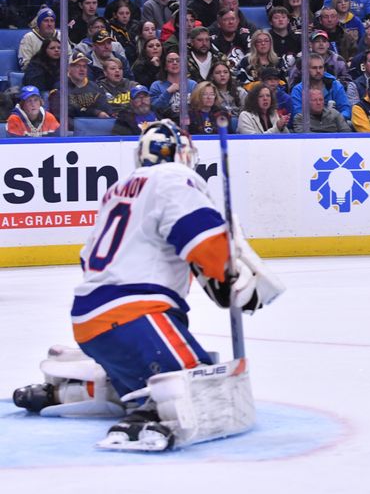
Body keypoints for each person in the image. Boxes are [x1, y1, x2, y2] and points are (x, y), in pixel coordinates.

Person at [12, 119, 284, 451]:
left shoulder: (120, 188)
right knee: (198, 390)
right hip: (135, 316)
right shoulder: (176, 178)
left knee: (151, 381)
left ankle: (68, 390)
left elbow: (89, 260)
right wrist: (228, 275)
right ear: (180, 153)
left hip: (91, 320)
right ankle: (146, 418)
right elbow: (204, 240)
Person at [50, 51, 112, 125]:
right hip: (71, 132)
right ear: (69, 68)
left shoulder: (95, 87)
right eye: (77, 66)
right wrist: (93, 112)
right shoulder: (60, 88)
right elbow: (60, 116)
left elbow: (106, 110)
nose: (82, 69)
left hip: (96, 129)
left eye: (84, 66)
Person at [293, 53, 352, 120]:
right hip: (310, 126)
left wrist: (336, 119)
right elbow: (297, 115)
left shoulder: (335, 85)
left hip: (334, 124)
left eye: (321, 67)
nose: (318, 71)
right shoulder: (298, 90)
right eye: (314, 68)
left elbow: (346, 110)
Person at [150, 51, 198, 122]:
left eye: (178, 61)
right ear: (165, 66)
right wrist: (168, 93)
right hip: (165, 124)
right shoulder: (156, 85)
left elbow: (198, 107)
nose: (175, 63)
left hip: (190, 124)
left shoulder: (192, 85)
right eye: (170, 61)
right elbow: (153, 108)